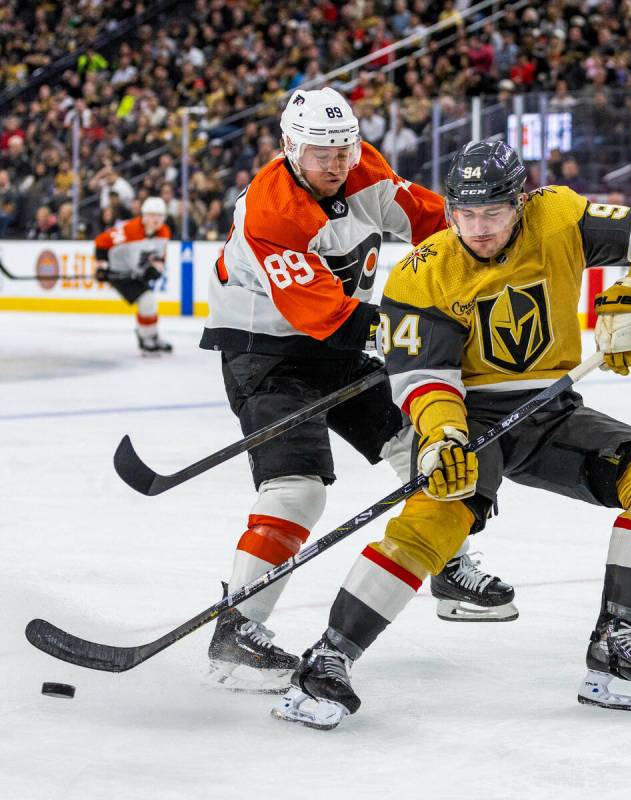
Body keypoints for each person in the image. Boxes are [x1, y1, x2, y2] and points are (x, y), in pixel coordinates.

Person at [274, 139, 631, 729]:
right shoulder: (424, 272)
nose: (477, 228)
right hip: (468, 418)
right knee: (439, 514)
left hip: (549, 409)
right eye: (464, 214)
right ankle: (328, 660)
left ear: (520, 203)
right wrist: (445, 438)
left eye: (492, 214)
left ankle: (616, 645)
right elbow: (424, 377)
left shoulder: (559, 218)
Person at [199, 89, 517, 695]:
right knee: (297, 492)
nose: (336, 162)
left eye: (343, 147)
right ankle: (238, 629)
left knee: (427, 446)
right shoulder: (271, 210)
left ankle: (446, 565)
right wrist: (421, 326)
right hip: (265, 352)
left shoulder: (362, 165)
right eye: (320, 150)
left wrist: (491, 247)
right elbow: (331, 316)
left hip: (338, 345)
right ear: (289, 147)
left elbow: (432, 223)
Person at [94, 196, 172, 353]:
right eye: (151, 215)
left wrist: (156, 269)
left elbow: (159, 256)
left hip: (135, 272)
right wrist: (102, 267)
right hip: (119, 273)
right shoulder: (129, 230)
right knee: (147, 301)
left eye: (159, 215)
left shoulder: (164, 232)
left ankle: (151, 336)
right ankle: (147, 338)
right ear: (143, 215)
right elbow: (102, 242)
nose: (155, 219)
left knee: (149, 304)